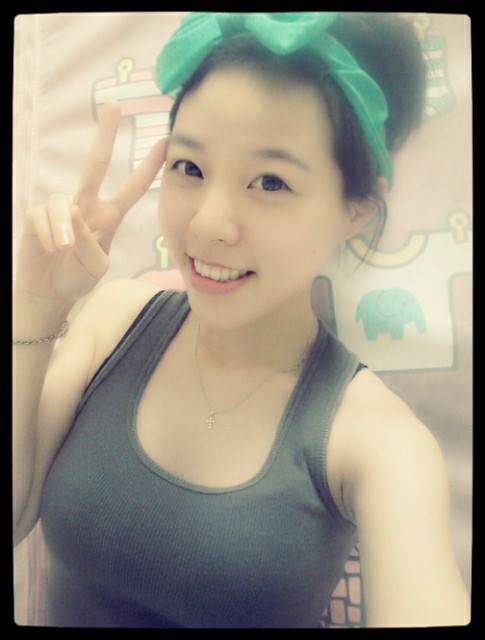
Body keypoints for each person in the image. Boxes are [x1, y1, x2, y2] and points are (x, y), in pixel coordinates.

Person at [13, 12, 470, 628]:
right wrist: (37, 302)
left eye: (270, 182)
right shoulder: (114, 321)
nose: (207, 225)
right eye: (190, 167)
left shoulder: (377, 442)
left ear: (356, 210)